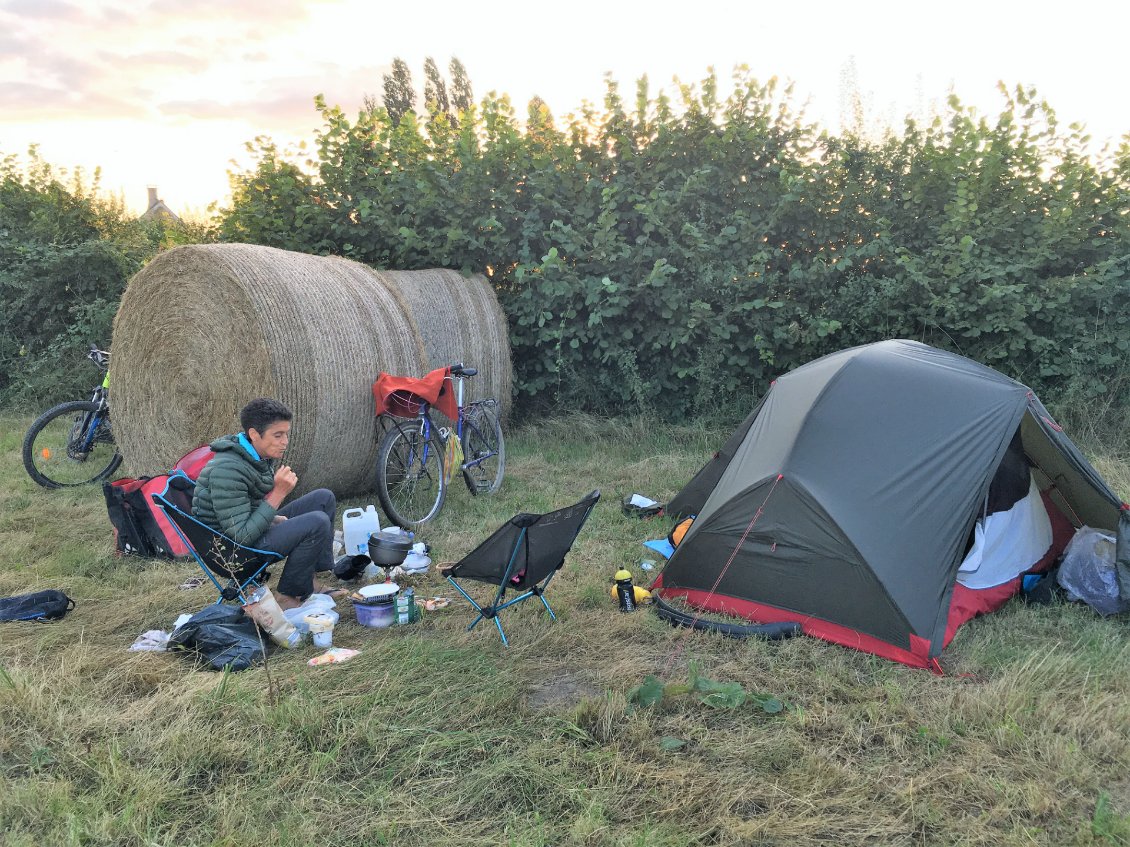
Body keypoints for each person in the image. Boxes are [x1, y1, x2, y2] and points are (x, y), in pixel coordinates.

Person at [193, 398, 341, 610]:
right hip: (231, 552)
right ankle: (288, 595)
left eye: (286, 434)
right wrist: (278, 493)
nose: (285, 441)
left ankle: (310, 581)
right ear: (254, 434)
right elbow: (241, 536)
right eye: (277, 435)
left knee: (323, 499)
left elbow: (243, 507)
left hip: (244, 533)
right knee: (316, 522)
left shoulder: (253, 456)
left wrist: (271, 517)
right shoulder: (228, 470)